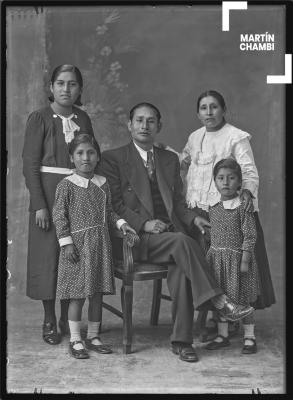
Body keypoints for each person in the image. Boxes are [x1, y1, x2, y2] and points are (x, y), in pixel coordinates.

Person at [99, 102, 254, 363]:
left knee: (182, 265)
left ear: (159, 126)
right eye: (139, 120)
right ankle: (219, 300)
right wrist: (143, 224)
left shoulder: (169, 159)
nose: (144, 126)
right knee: (182, 243)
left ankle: (182, 343)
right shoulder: (113, 158)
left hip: (171, 238)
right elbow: (113, 204)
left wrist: (194, 220)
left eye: (150, 121)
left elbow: (179, 203)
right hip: (136, 239)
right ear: (129, 125)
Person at [180, 90, 275, 333]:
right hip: (200, 212)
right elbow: (184, 160)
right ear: (198, 112)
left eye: (214, 107)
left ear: (224, 110)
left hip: (228, 213)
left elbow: (249, 171)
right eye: (203, 108)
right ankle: (219, 315)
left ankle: (235, 317)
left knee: (232, 269)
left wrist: (246, 193)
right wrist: (165, 152)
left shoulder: (235, 137)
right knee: (212, 268)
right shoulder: (194, 137)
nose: (209, 112)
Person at [22, 64, 96, 345]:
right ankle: (49, 318)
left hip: (77, 194)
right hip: (48, 196)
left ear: (79, 89)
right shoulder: (39, 118)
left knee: (71, 256)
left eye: (73, 84)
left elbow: (90, 155)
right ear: (51, 87)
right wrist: (39, 204)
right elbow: (29, 164)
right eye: (61, 83)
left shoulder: (84, 118)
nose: (67, 89)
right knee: (48, 257)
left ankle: (68, 317)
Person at [52, 134, 137, 359]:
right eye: (80, 153)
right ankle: (75, 339)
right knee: (78, 295)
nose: (86, 158)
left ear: (98, 156)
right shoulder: (67, 185)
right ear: (72, 157)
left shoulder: (103, 183)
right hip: (78, 248)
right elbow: (59, 216)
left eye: (90, 153)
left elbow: (109, 212)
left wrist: (122, 224)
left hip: (100, 245)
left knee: (97, 295)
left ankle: (93, 336)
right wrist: (67, 243)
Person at [204, 158, 260, 354]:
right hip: (217, 262)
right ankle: (223, 335)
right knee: (221, 300)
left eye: (231, 178)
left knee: (243, 300)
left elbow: (250, 235)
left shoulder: (243, 206)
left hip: (238, 261)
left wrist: (244, 260)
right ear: (215, 181)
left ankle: (249, 337)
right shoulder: (213, 206)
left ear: (239, 181)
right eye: (221, 178)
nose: (226, 182)